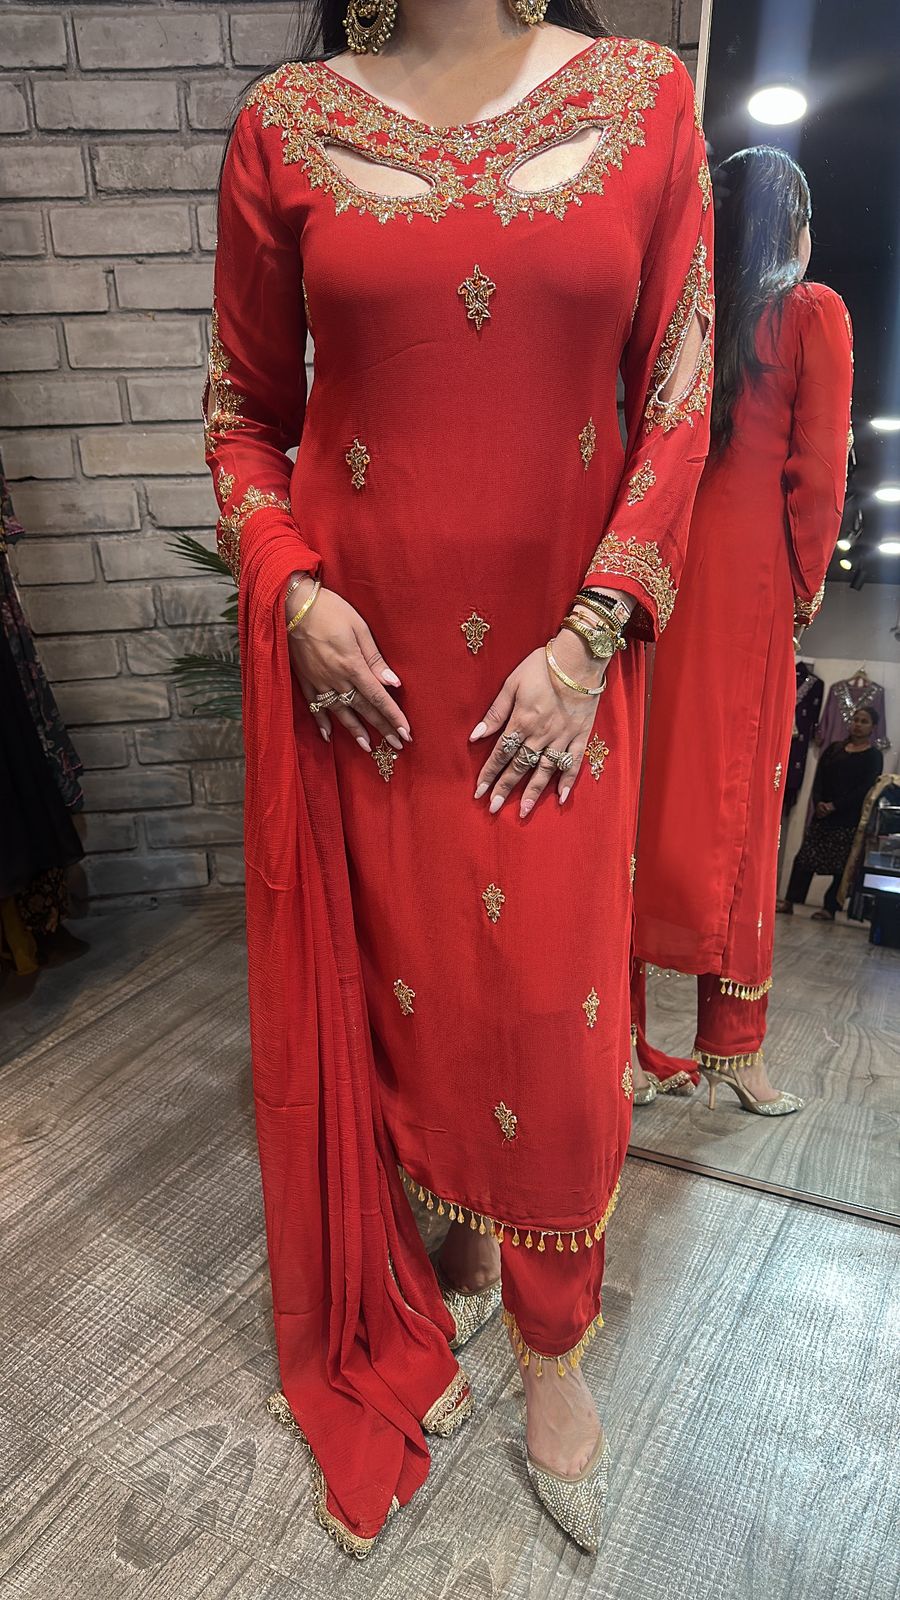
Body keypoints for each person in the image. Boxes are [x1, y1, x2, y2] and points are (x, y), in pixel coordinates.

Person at [203, 0, 713, 1556]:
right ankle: (460, 1248)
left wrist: (591, 636)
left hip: (556, 683)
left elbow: (678, 398)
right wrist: (294, 593)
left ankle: (555, 1350)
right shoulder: (288, 124)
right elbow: (243, 414)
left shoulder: (643, 99)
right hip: (367, 689)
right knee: (405, 991)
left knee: (553, 1021)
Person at [630, 146, 853, 1117]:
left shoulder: (684, 317)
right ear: (792, 229)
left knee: (642, 801)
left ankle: (622, 1046)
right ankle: (732, 1049)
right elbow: (819, 473)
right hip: (751, 584)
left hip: (663, 566)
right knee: (743, 811)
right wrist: (802, 590)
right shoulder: (810, 312)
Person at [778, 706, 884, 920]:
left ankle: (830, 908)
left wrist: (836, 806)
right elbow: (819, 779)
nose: (858, 725)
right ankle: (790, 901)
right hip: (822, 815)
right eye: (855, 719)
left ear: (873, 727)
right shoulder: (834, 749)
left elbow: (864, 788)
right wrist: (819, 803)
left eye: (864, 721)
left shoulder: (873, 756)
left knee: (840, 866)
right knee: (804, 859)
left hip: (847, 818)